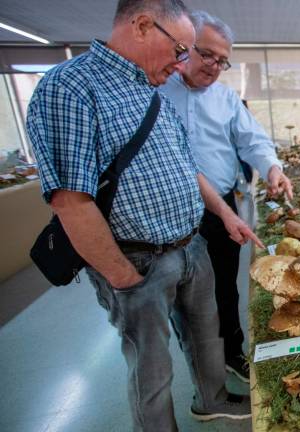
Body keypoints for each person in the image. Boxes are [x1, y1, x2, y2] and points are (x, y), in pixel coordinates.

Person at [25, 1, 260, 429]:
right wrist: (121, 276)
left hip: (192, 246)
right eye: (181, 50)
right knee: (151, 364)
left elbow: (190, 168)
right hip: (137, 259)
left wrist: (226, 215)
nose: (183, 63)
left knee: (208, 337)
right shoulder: (70, 87)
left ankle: (212, 399)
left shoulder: (151, 91)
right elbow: (69, 200)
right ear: (142, 25)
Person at [160, 10, 293, 383]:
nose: (215, 66)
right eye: (208, 55)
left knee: (224, 287)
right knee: (183, 295)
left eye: (223, 60)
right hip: (171, 212)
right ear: (185, 47)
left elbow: (253, 139)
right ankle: (202, 366)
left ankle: (232, 352)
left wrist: (272, 169)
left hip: (220, 210)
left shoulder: (225, 99)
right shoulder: (156, 89)